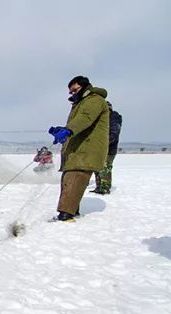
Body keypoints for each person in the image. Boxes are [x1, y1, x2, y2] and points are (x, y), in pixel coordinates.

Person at [48, 75, 109, 222]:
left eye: (75, 90)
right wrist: (62, 130)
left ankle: (66, 215)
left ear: (84, 87)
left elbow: (85, 118)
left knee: (74, 177)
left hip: (87, 149)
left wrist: (68, 130)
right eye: (70, 92)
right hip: (78, 149)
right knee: (70, 178)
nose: (72, 94)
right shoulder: (81, 102)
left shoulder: (94, 100)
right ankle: (71, 211)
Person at [92, 101, 122, 194]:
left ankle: (105, 187)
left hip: (109, 149)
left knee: (105, 167)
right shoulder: (101, 118)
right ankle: (99, 186)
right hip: (99, 147)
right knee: (97, 167)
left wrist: (104, 143)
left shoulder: (113, 117)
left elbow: (114, 133)